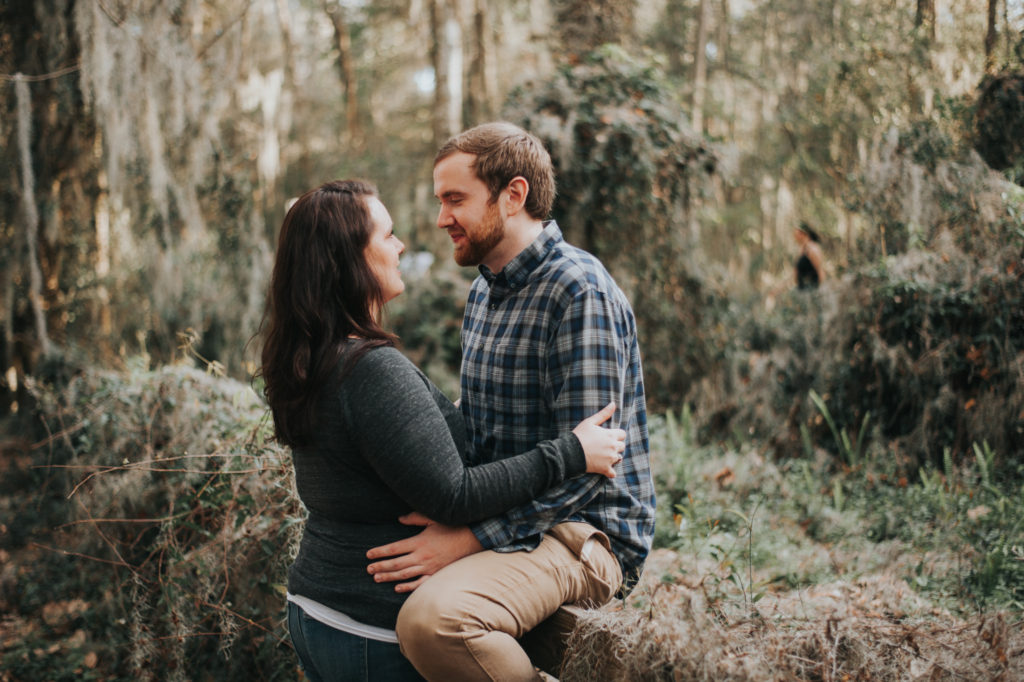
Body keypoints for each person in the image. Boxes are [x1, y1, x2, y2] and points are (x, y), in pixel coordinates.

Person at [257, 179, 629, 682]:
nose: (401, 244)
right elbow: (455, 494)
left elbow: (396, 439)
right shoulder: (369, 369)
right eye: (387, 236)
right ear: (350, 260)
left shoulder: (311, 357)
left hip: (316, 608)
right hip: (372, 632)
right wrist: (570, 452)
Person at [365, 122, 656, 681]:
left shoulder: (578, 290)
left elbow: (590, 469)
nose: (441, 217)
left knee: (433, 623)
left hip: (587, 534)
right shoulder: (484, 291)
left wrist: (469, 538)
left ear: (514, 195)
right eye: (440, 200)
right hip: (516, 514)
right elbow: (476, 433)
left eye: (456, 199)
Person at [794, 221, 826, 289]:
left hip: (812, 290)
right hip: (803, 289)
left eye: (797, 234)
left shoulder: (812, 249)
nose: (795, 237)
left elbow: (820, 270)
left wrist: (822, 290)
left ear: (803, 234)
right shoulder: (802, 249)